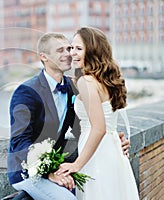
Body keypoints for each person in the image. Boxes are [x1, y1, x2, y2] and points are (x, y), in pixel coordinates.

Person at [7, 32, 131, 199]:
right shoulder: (27, 92)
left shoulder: (75, 86)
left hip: (61, 168)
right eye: (60, 50)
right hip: (27, 171)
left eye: (70, 48)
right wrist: (49, 173)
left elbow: (88, 127)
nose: (68, 54)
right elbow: (20, 142)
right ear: (44, 57)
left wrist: (114, 139)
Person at [56, 27, 139, 199]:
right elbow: (107, 123)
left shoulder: (87, 81)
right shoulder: (104, 80)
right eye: (71, 48)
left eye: (79, 48)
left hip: (97, 154)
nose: (72, 53)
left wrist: (77, 164)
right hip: (112, 147)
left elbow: (99, 128)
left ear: (93, 51)